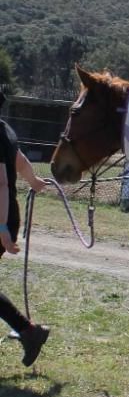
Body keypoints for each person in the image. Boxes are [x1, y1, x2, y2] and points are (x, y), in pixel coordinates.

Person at [0, 89, 50, 366]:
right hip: (8, 214)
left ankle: (29, 332)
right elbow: (19, 161)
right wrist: (33, 181)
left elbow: (2, 184)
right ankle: (28, 332)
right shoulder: (4, 129)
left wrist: (2, 228)